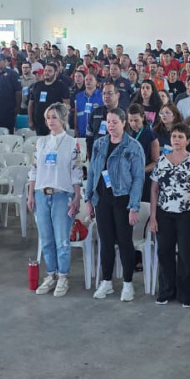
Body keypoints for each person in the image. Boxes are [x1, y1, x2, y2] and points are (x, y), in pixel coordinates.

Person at [84, 108, 145, 302]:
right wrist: (88, 198)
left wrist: (134, 206)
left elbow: (138, 179)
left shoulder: (133, 147)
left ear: (123, 122)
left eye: (114, 122)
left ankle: (128, 284)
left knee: (125, 242)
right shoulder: (99, 144)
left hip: (122, 199)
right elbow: (93, 171)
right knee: (106, 241)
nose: (110, 125)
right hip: (102, 199)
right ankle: (107, 281)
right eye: (108, 122)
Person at [148, 123, 190, 307]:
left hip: (187, 214)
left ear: (188, 140)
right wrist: (153, 217)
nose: (177, 140)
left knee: (186, 255)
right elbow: (154, 191)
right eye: (174, 137)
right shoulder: (162, 161)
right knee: (164, 252)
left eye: (181, 137)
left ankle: (187, 293)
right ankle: (166, 290)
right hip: (165, 213)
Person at [28, 103, 82, 297]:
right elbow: (34, 170)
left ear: (62, 119)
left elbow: (76, 171)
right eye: (48, 117)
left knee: (61, 240)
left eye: (54, 117)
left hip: (62, 195)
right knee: (46, 239)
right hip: (42, 194)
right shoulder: (41, 142)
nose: (51, 121)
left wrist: (76, 196)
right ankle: (51, 274)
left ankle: (63, 276)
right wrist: (31, 194)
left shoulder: (70, 143)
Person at [126, 104, 159, 203]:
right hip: (127, 178)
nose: (133, 124)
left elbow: (156, 162)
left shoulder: (150, 136)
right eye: (130, 120)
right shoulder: (126, 133)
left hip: (144, 179)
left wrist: (141, 170)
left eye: (136, 120)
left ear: (143, 117)